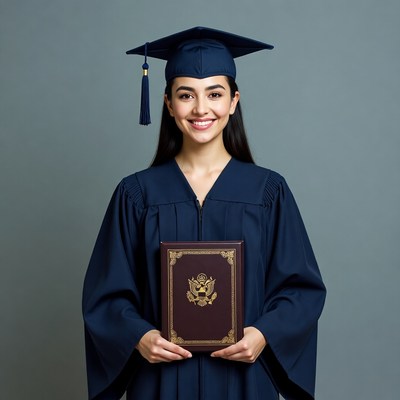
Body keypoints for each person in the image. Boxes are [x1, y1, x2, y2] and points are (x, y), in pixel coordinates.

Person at [82, 26, 326, 400]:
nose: (201, 109)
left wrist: (263, 335)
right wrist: (139, 337)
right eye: (186, 95)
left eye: (215, 93)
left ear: (233, 101)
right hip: (160, 381)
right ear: (167, 103)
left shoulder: (267, 192)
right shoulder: (136, 195)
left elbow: (301, 290)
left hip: (245, 381)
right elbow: (106, 294)